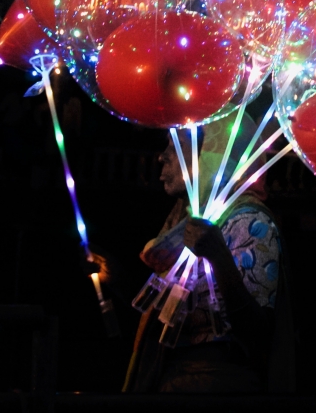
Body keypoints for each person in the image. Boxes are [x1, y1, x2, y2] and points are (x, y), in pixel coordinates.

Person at [121, 114, 295, 393]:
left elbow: (258, 336)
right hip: (170, 388)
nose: (162, 157)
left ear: (212, 154)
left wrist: (218, 256)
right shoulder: (180, 225)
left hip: (219, 394)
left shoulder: (250, 222)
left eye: (175, 146)